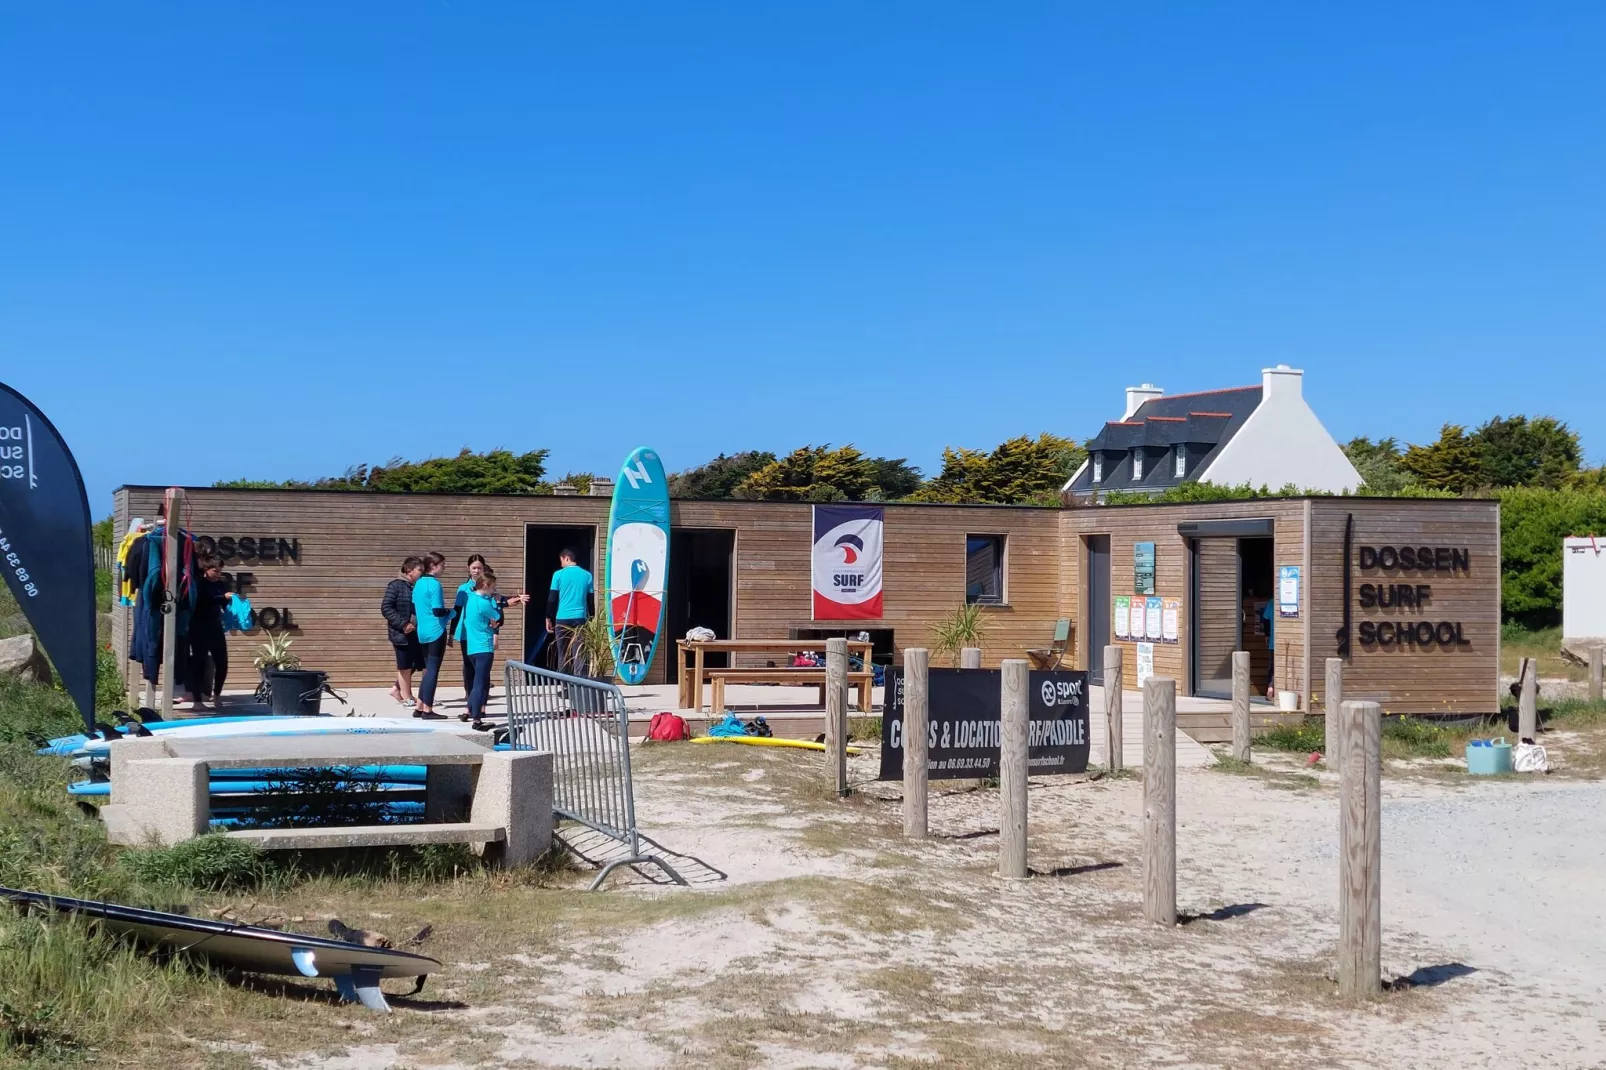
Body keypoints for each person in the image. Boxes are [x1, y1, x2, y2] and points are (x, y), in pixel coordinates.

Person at [184, 553, 233, 709]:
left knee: (222, 662)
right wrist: (222, 598)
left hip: (215, 627)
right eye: (215, 571)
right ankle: (197, 701)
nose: (218, 575)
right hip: (198, 627)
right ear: (206, 569)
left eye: (220, 571)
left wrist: (234, 605)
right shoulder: (198, 582)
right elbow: (202, 600)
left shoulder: (221, 584)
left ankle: (217, 695)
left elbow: (224, 604)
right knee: (199, 662)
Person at [411, 551, 451, 719]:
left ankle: (419, 706)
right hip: (436, 631)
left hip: (422, 631)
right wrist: (451, 612)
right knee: (432, 671)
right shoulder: (434, 584)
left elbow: (413, 608)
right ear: (433, 566)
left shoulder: (418, 583)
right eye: (442, 565)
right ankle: (428, 709)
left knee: (427, 670)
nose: (444, 568)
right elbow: (438, 610)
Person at [461, 570, 504, 722]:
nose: (494, 591)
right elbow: (498, 619)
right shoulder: (484, 603)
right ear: (485, 585)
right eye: (493, 587)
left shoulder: (470, 599)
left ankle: (469, 710)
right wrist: (498, 603)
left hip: (472, 647)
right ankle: (477, 719)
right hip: (484, 647)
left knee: (476, 682)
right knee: (481, 682)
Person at [382, 556, 424, 706]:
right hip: (401, 633)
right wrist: (403, 624)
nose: (422, 573)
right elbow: (386, 608)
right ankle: (408, 698)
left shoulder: (417, 586)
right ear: (409, 571)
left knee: (418, 663)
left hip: (417, 633)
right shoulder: (396, 586)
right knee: (405, 666)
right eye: (419, 570)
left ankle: (396, 689)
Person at [547, 547, 594, 676]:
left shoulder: (558, 574)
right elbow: (590, 600)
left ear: (566, 558)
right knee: (579, 654)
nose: (561, 564)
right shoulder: (587, 575)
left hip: (562, 619)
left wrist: (548, 617)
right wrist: (591, 619)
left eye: (561, 560)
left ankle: (565, 687)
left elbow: (552, 599)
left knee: (563, 654)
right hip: (580, 619)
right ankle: (580, 688)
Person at [451, 555, 489, 694]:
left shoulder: (488, 586)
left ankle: (481, 692)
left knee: (482, 664)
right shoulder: (463, 589)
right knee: (468, 663)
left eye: (479, 568)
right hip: (466, 631)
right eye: (474, 568)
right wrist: (451, 633)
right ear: (468, 569)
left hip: (482, 631)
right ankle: (470, 692)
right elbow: (457, 610)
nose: (476, 571)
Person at [1261, 598, 1276, 700]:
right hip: (1280, 642)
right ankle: (1271, 688)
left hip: (1273, 642)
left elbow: (1265, 619)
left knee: (1272, 667)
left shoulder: (1271, 602)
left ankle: (1270, 688)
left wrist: (1267, 635)